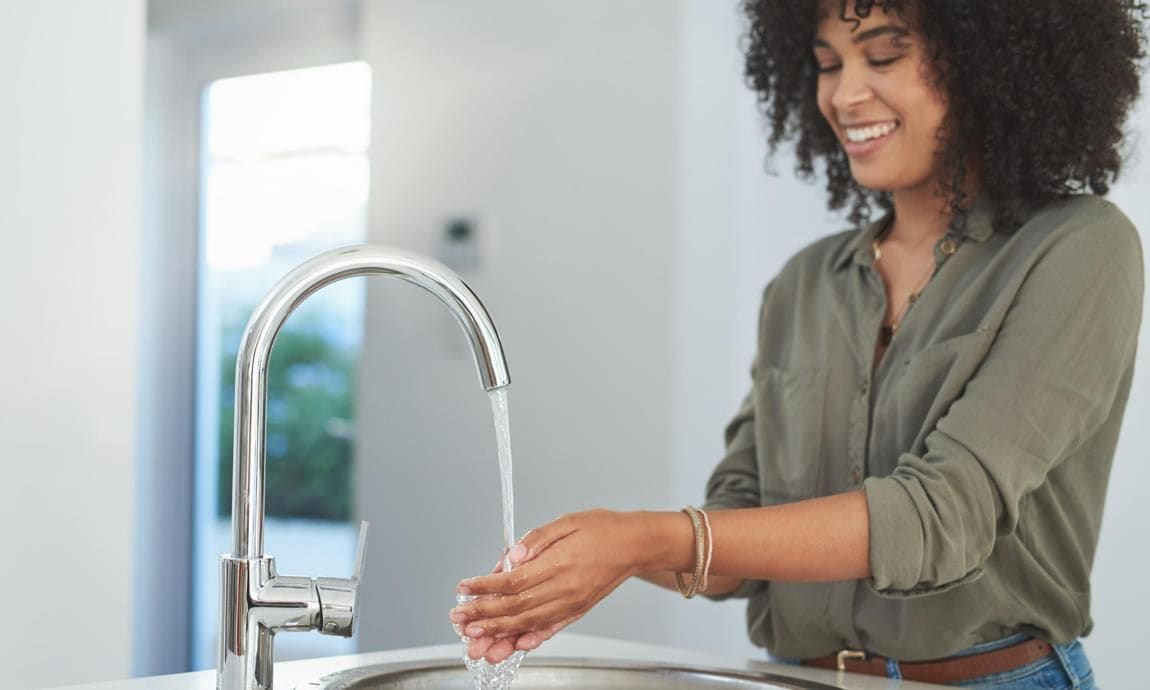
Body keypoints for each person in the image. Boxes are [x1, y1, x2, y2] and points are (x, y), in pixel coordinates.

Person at [448, 1, 1147, 687]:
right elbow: (737, 544)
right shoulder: (804, 284)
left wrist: (644, 537)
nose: (844, 93)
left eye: (883, 55)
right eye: (825, 64)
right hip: (794, 679)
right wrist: (590, 561)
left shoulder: (1078, 249)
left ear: (988, 60)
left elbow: (940, 516)